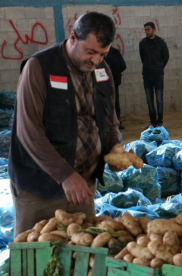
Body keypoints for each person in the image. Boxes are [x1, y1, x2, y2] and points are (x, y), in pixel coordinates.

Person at [9, 12, 124, 236]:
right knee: (34, 259)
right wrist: (65, 176)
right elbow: (28, 132)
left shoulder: (103, 71)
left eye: (103, 54)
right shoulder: (39, 67)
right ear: (72, 37)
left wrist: (113, 150)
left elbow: (110, 120)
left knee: (81, 257)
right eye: (90, 52)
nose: (96, 60)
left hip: (83, 188)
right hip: (40, 189)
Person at [139, 22, 169, 128]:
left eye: (148, 30)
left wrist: (159, 68)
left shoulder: (161, 43)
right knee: (149, 100)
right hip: (147, 75)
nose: (146, 32)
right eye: (145, 30)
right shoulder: (142, 43)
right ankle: (152, 121)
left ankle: (159, 122)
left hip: (158, 76)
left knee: (159, 99)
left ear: (154, 30)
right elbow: (142, 58)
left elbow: (166, 57)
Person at [104, 46, 127, 130]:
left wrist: (116, 74)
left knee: (115, 103)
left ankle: (117, 122)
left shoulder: (115, 52)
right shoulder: (99, 53)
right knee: (105, 103)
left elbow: (123, 65)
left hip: (114, 82)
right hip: (102, 84)